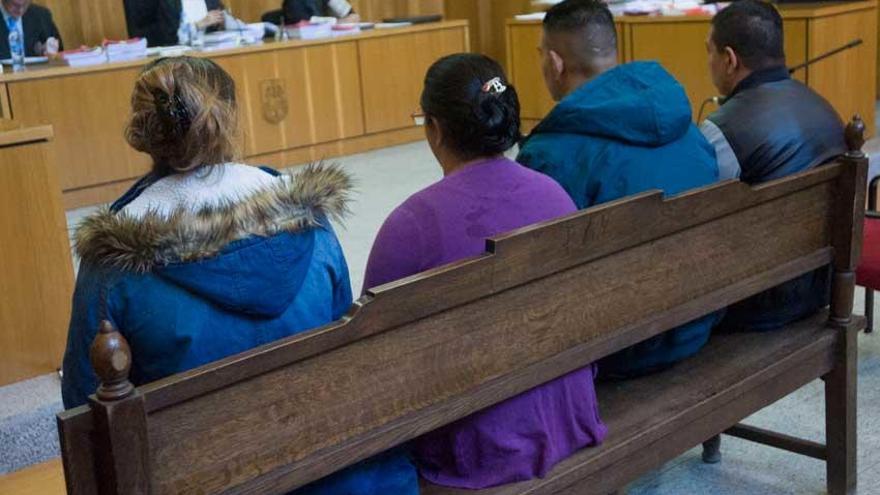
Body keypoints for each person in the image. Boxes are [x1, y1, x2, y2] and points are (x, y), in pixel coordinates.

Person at [61, 56, 413, 495]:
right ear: (228, 120)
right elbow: (344, 339)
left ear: (144, 131)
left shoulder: (113, 263)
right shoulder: (309, 219)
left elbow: (85, 407)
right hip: (333, 470)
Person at [364, 53, 607, 489]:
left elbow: (371, 361)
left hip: (477, 449)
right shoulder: (554, 194)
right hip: (567, 416)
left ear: (434, 129)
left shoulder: (410, 224)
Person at [516, 0, 720, 378]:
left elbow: (531, 267)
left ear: (555, 63)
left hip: (617, 346)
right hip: (699, 317)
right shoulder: (685, 124)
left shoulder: (549, 154)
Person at [702, 0, 844, 332]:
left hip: (753, 303)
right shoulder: (824, 108)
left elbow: (698, 219)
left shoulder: (723, 129)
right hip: (821, 287)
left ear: (729, 59)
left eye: (709, 52)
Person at [123, 0, 247, 47]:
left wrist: (223, 21)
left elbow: (224, 16)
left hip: (207, 51)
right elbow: (167, 36)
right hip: (172, 59)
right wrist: (198, 25)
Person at [282, 0, 359, 24]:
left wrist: (351, 16)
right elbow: (304, 22)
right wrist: (337, 22)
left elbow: (351, 15)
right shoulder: (292, 2)